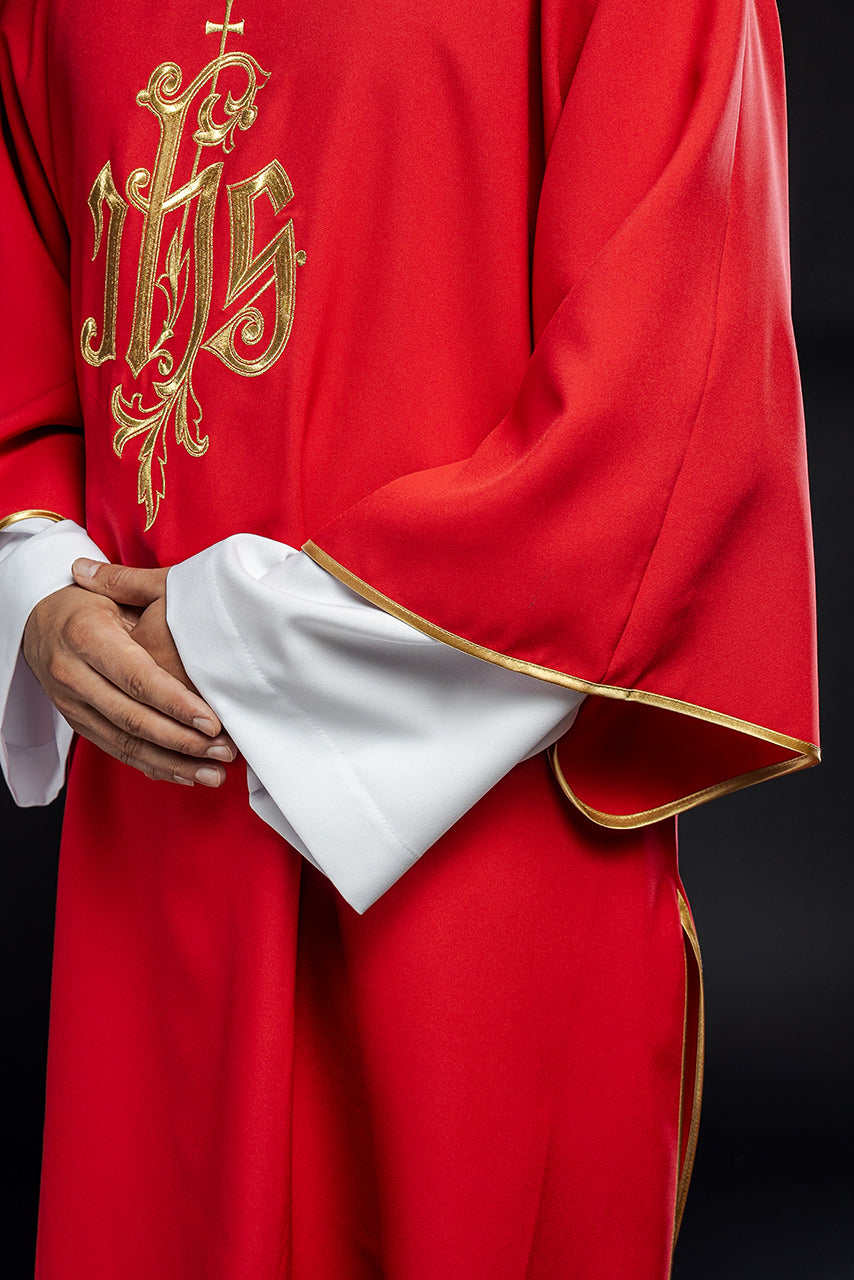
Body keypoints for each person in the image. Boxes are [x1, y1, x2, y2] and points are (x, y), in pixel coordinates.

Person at [0, 0, 819, 1276]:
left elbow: (664, 382)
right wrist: (36, 581)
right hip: (157, 810)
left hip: (477, 802)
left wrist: (256, 636)